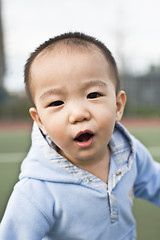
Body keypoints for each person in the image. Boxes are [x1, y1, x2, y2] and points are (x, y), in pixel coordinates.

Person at [0, 32, 160, 240]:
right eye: (56, 103)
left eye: (93, 95)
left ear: (118, 106)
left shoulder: (129, 152)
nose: (78, 114)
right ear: (40, 121)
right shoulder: (36, 192)